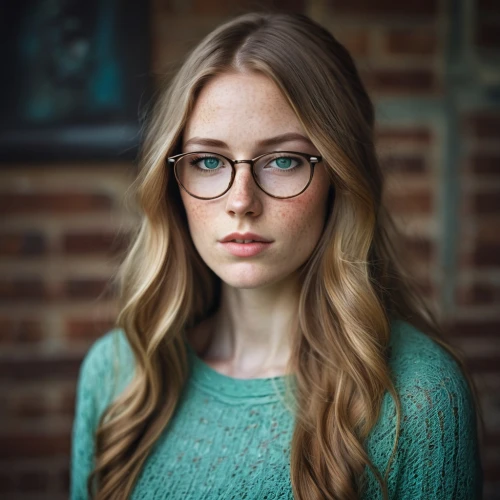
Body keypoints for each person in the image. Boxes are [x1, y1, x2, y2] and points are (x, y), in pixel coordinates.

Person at [70, 11, 483, 500]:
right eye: (207, 161)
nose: (241, 200)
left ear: (340, 177)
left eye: (283, 160)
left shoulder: (418, 397)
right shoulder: (120, 374)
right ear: (171, 182)